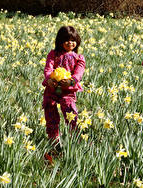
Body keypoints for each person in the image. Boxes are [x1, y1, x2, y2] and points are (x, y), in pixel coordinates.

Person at [42, 26, 85, 159]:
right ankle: (54, 141)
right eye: (66, 40)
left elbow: (79, 73)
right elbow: (48, 69)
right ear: (59, 41)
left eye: (73, 40)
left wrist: (72, 81)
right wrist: (49, 79)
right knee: (51, 114)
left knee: (71, 114)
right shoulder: (53, 54)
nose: (70, 43)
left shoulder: (78, 57)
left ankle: (74, 141)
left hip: (68, 91)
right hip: (52, 89)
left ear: (77, 41)